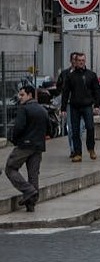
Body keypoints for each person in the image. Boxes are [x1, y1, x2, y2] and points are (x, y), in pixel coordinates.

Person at [5, 84, 50, 213]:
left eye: (22, 95)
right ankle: (31, 203)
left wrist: (14, 140)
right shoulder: (42, 110)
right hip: (38, 146)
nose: (20, 98)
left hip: (25, 145)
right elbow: (49, 129)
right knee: (33, 174)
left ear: (30, 95)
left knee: (10, 168)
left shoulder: (24, 109)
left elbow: (18, 127)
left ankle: (28, 190)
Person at [59, 52, 100, 162]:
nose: (81, 62)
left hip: (87, 106)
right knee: (75, 130)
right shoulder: (70, 76)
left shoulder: (91, 75)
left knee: (90, 127)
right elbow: (66, 92)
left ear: (85, 61)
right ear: (75, 62)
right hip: (74, 106)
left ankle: (91, 148)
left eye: (83, 60)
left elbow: (97, 90)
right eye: (79, 61)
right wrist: (63, 108)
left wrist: (97, 105)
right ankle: (78, 153)